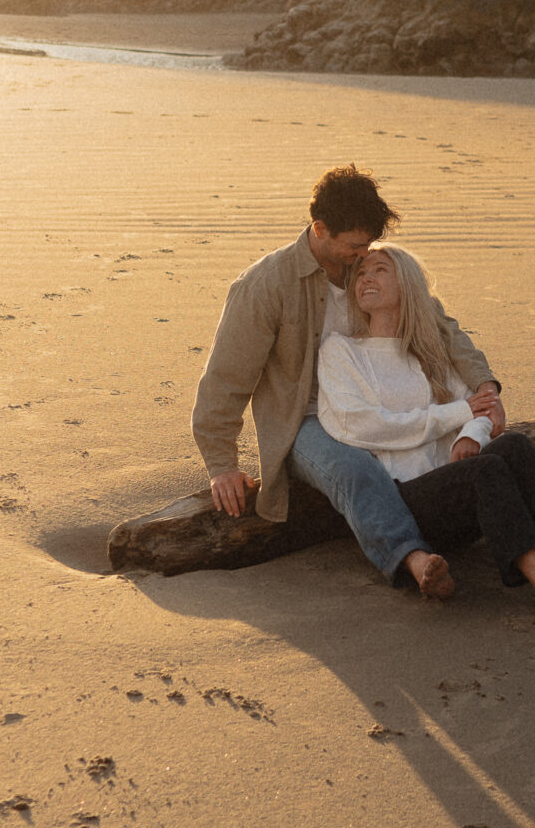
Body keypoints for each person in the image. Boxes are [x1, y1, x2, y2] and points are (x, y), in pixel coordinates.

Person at [192, 165, 504, 597]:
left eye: (369, 244)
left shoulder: (369, 266)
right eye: (355, 246)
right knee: (355, 469)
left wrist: (485, 389)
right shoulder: (265, 285)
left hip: (379, 392)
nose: (364, 257)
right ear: (320, 229)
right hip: (308, 416)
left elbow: (444, 329)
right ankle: (413, 558)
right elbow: (225, 380)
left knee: (478, 444)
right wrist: (221, 464)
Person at [318, 242, 535, 632]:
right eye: (361, 273)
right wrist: (458, 416)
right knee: (488, 470)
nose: (366, 278)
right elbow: (361, 424)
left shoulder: (427, 353)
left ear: (406, 284)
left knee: (514, 444)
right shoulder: (342, 351)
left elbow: (478, 408)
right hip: (410, 502)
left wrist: (472, 435)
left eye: (379, 270)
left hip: (464, 498)